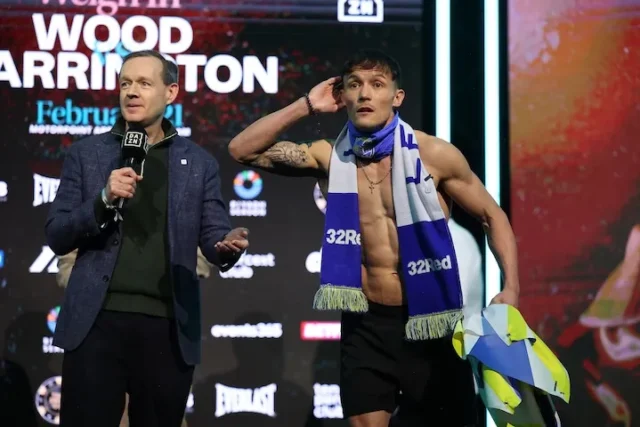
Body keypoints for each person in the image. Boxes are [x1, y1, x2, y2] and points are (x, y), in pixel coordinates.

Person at [228, 49, 519, 427]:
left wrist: (511, 287)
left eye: (377, 85)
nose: (365, 94)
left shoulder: (434, 155)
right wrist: (306, 106)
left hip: (431, 319)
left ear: (397, 97)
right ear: (342, 96)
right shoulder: (330, 157)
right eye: (354, 85)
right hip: (366, 323)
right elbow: (241, 150)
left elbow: (491, 215)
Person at [45, 49, 249, 427]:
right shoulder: (86, 155)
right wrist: (103, 199)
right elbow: (57, 233)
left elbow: (213, 235)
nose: (131, 92)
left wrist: (227, 246)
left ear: (171, 92)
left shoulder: (199, 163)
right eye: (125, 83)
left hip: (167, 329)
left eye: (143, 83)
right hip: (96, 323)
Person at [56, 247, 214, 427]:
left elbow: (201, 248)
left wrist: (180, 274)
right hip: (96, 322)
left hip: (166, 322)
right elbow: (67, 250)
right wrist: (87, 283)